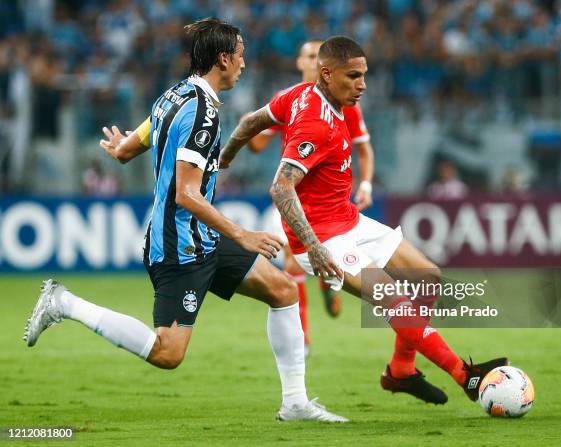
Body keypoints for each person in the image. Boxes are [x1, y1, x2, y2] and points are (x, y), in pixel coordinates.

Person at [23, 18, 346, 423]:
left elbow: (126, 151)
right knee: (168, 353)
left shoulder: (172, 94)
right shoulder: (204, 114)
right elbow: (187, 194)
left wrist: (120, 146)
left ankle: (295, 403)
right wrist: (242, 234)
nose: (245, 63)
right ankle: (64, 303)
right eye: (241, 55)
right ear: (224, 59)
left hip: (202, 235)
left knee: (283, 291)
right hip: (180, 245)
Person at [220, 35, 508, 405]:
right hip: (325, 238)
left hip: (349, 220)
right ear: (326, 74)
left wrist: (225, 157)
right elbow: (280, 188)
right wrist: (314, 247)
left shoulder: (301, 94)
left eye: (364, 75)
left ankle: (401, 370)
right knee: (395, 300)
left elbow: (250, 121)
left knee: (429, 277)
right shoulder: (315, 122)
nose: (363, 84)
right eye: (353, 76)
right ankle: (465, 376)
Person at [246, 39, 375, 351]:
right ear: (300, 62)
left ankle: (321, 292)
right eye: (308, 55)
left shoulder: (345, 101)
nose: (313, 60)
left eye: (318, 55)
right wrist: (258, 128)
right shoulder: (288, 99)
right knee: (292, 263)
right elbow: (257, 143)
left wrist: (366, 184)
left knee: (297, 263)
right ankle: (303, 334)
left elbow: (363, 148)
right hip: (294, 197)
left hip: (328, 202)